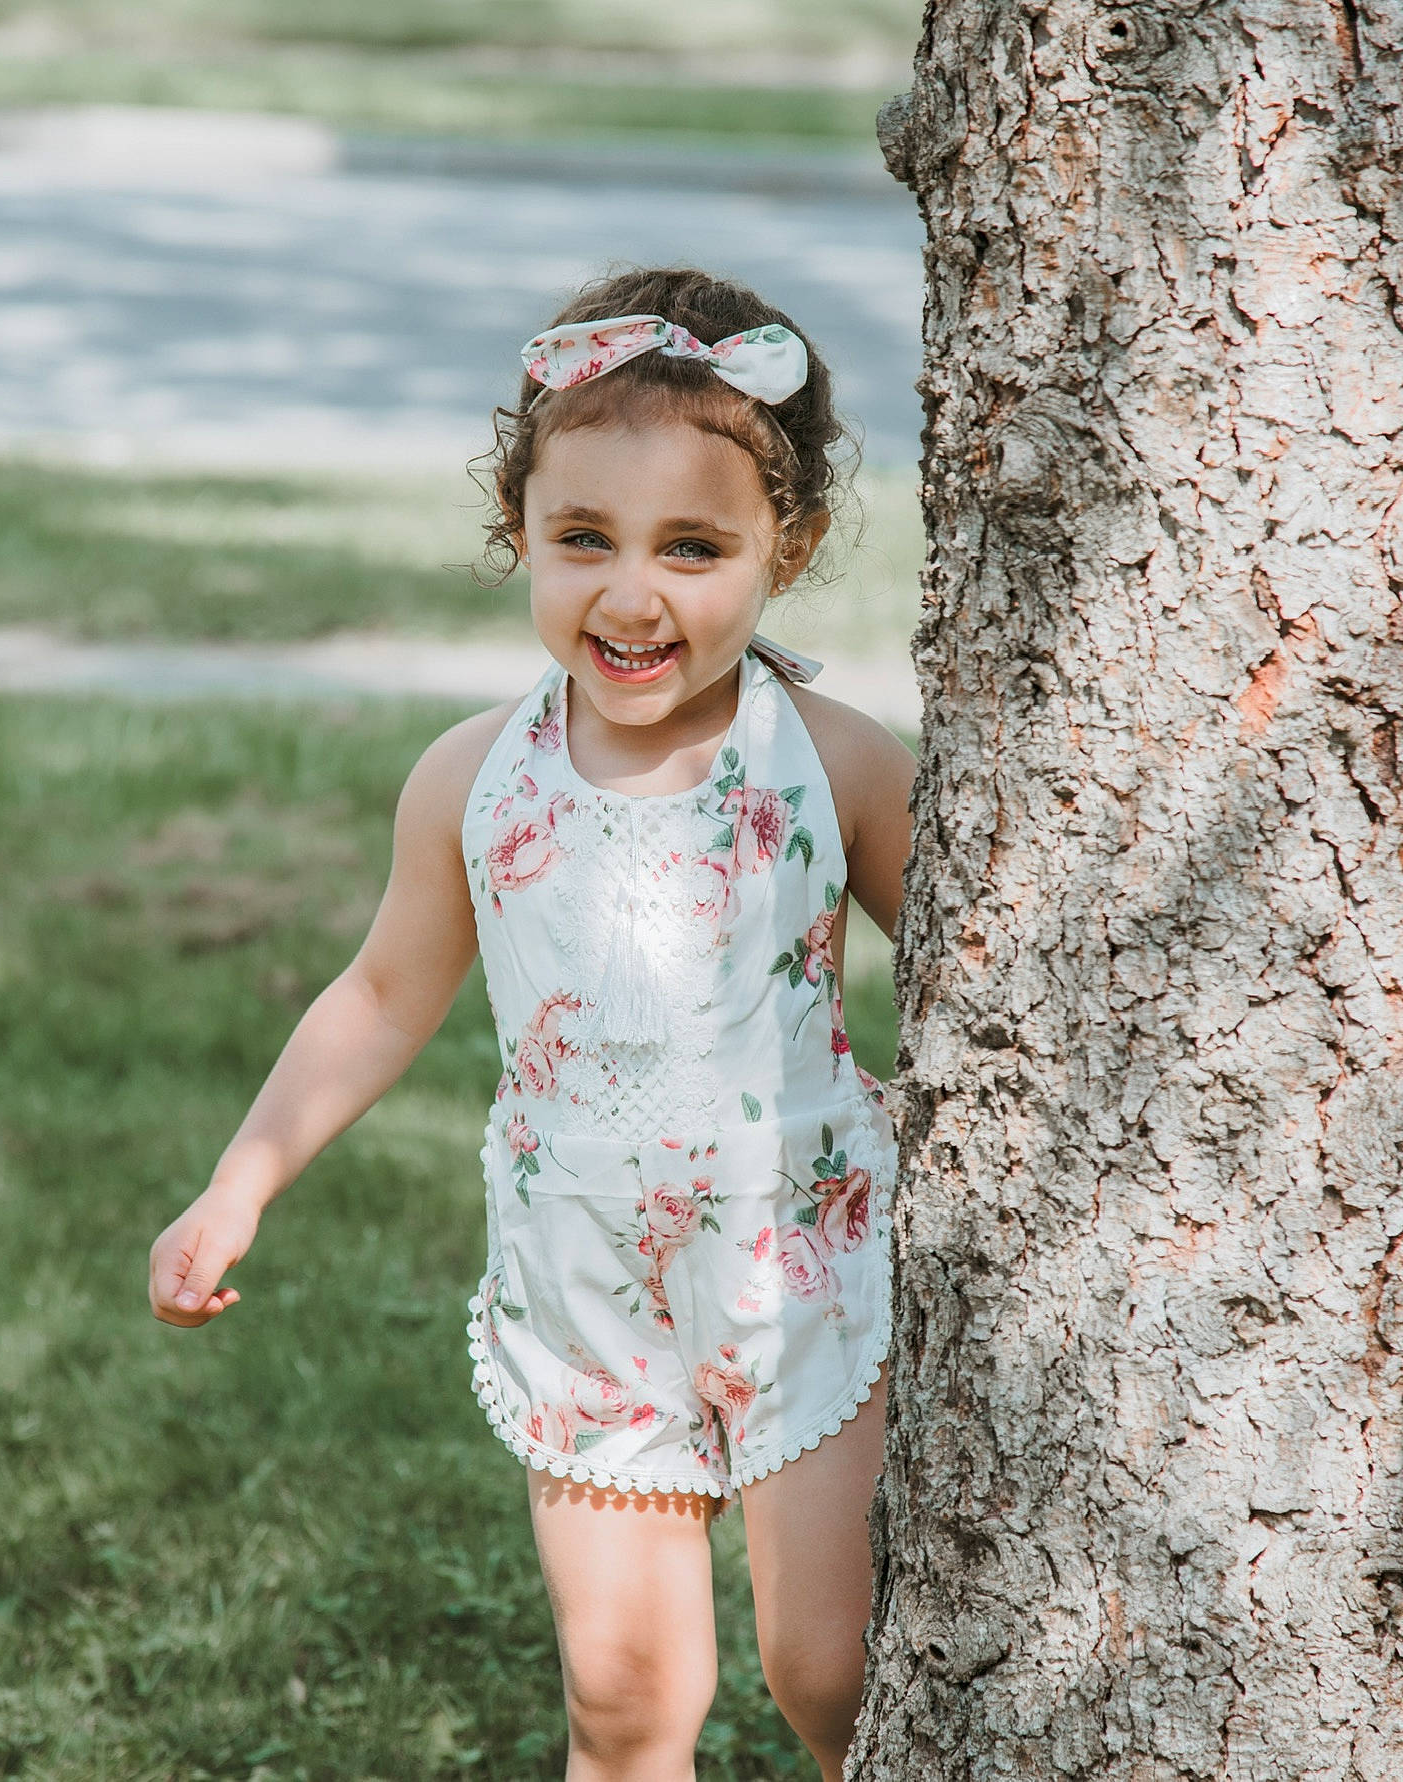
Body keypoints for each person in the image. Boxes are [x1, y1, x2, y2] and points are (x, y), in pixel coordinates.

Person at [149, 265, 918, 1782]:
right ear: (522, 533)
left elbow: (986, 971)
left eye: (693, 546)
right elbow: (378, 994)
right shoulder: (473, 780)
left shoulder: (829, 761)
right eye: (585, 539)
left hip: (802, 1264)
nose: (633, 594)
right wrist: (238, 1181)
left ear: (792, 545)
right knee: (626, 1696)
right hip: (587, 1291)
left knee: (834, 1666)